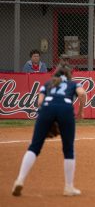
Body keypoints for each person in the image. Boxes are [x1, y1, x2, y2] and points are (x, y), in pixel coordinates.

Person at [12, 66, 86, 197]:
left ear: (55, 75)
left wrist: (48, 119)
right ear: (69, 75)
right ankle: (68, 187)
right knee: (68, 149)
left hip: (47, 108)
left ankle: (19, 180)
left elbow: (40, 102)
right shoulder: (73, 83)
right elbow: (82, 94)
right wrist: (80, 112)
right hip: (66, 109)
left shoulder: (47, 83)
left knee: (34, 146)